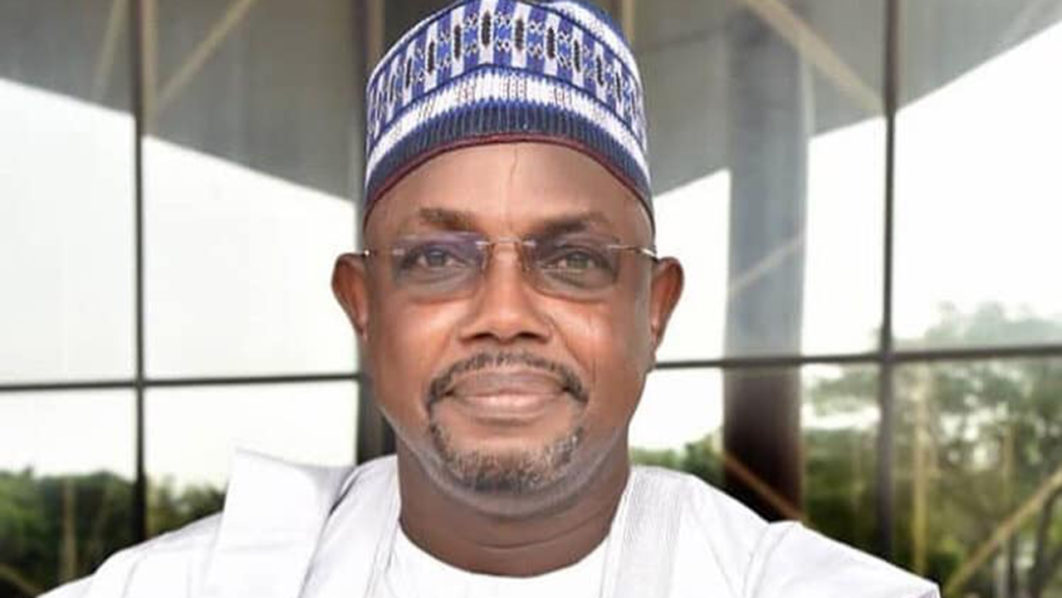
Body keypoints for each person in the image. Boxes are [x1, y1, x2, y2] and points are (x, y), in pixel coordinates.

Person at [45, 1, 939, 596]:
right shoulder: (195, 584)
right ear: (363, 305)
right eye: (438, 258)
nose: (504, 313)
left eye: (574, 259)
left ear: (654, 307)